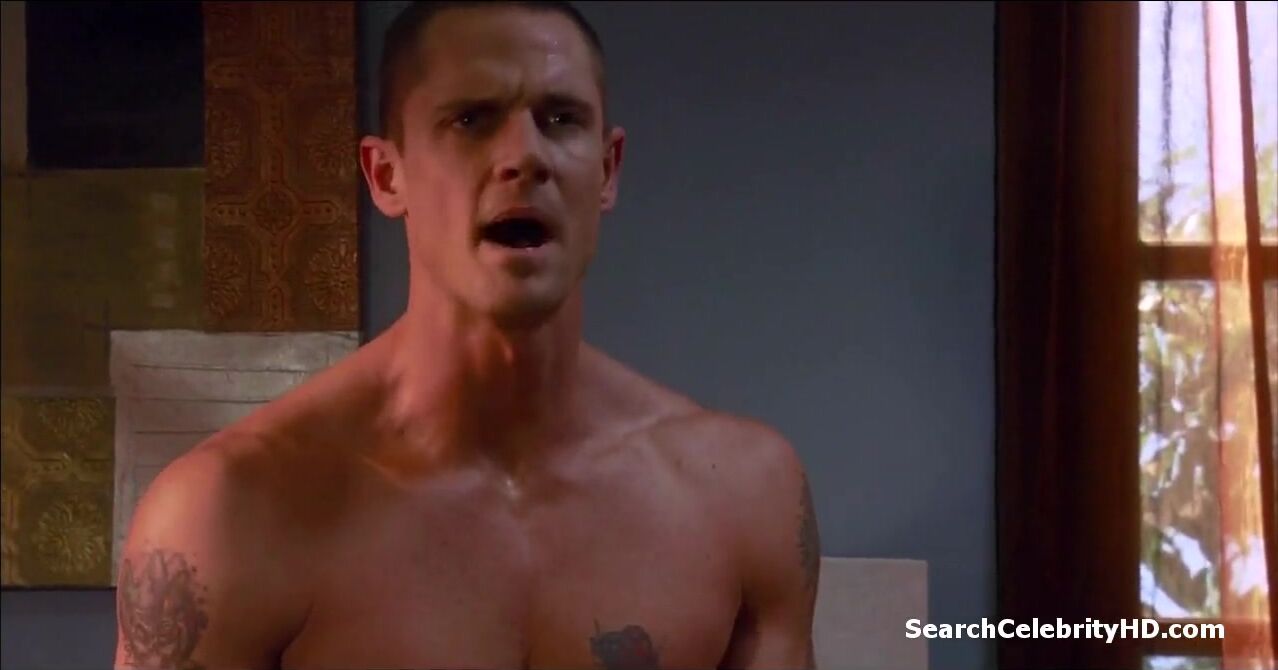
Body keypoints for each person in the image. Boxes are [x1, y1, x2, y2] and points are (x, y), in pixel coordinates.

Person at [114, 2, 820, 668]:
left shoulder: (740, 493)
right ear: (386, 176)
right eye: (472, 120)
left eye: (561, 119)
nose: (525, 156)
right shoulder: (230, 513)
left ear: (607, 171)